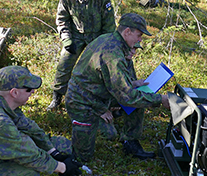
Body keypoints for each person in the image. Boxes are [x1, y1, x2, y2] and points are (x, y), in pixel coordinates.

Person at [65, 13, 170, 162]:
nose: (140, 40)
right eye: (139, 35)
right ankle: (49, 145)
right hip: (82, 103)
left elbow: (111, 82)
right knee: (83, 157)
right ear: (127, 32)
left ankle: (131, 143)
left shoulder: (109, 39)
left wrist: (133, 84)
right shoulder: (113, 55)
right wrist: (161, 100)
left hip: (100, 95)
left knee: (140, 96)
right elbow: (127, 97)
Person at [47, 0, 116, 110]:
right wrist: (66, 39)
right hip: (76, 36)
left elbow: (109, 24)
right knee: (64, 65)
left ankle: (103, 100)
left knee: (102, 68)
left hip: (97, 37)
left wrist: (104, 44)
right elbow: (62, 20)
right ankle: (57, 97)